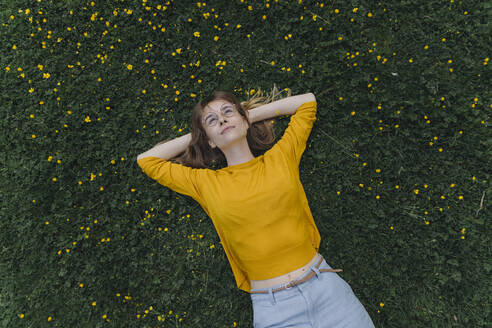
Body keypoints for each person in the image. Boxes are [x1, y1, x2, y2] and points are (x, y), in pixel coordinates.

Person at [137, 86, 375, 327]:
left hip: (327, 290)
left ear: (244, 119)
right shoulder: (205, 183)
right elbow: (147, 160)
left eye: (228, 111)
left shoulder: (280, 157)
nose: (222, 119)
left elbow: (307, 103)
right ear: (208, 140)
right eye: (212, 120)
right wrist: (202, 134)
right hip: (274, 310)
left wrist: (247, 115)